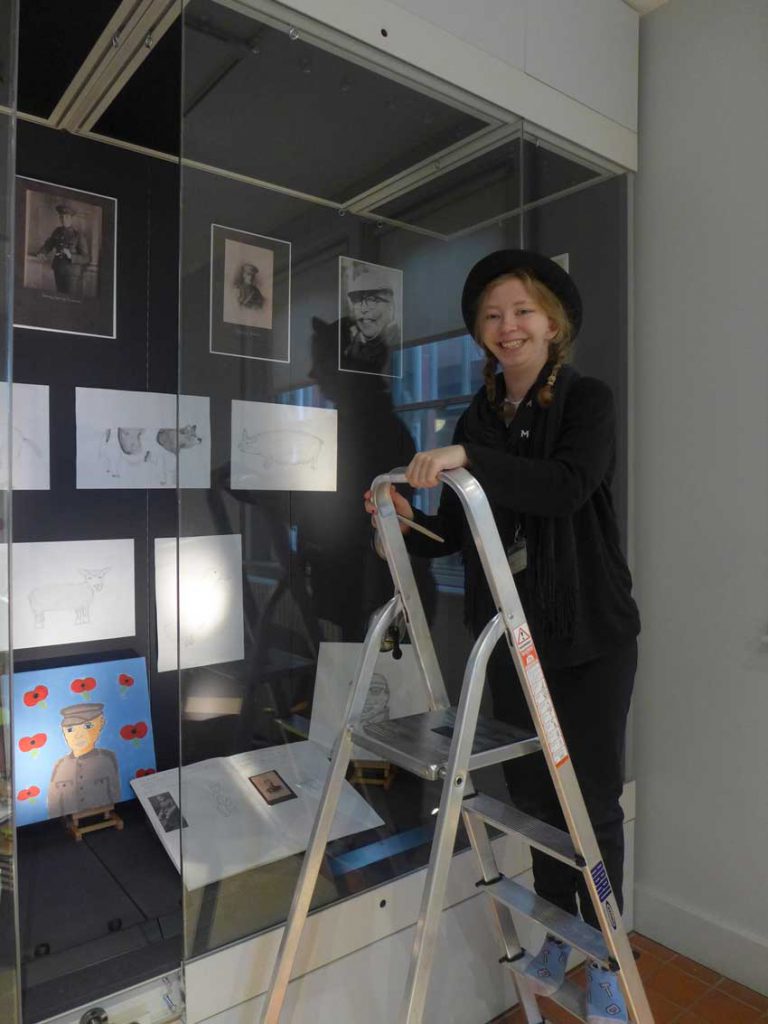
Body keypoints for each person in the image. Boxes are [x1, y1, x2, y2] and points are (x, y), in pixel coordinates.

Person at [364, 250, 640, 1023]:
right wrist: (400, 524)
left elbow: (564, 487)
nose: (507, 326)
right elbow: (455, 533)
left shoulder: (588, 402)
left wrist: (466, 459)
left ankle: (606, 950)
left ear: (552, 323)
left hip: (586, 637)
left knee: (590, 803)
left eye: (522, 312)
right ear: (481, 334)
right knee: (531, 799)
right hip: (510, 639)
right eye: (492, 316)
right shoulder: (479, 419)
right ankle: (561, 932)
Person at [47, 702, 121, 817]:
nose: (78, 735)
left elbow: (115, 792)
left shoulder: (107, 758)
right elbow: (54, 803)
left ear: (101, 723)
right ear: (63, 731)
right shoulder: (60, 765)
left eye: (87, 726)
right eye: (70, 729)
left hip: (102, 814)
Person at [340, 264, 401, 375]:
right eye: (357, 300)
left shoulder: (400, 345)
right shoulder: (351, 350)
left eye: (373, 300)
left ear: (391, 305)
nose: (363, 309)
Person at [35, 201, 90, 297]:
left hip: (72, 274)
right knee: (59, 297)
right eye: (62, 217)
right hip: (58, 269)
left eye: (67, 217)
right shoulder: (57, 231)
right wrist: (42, 252)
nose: (64, 219)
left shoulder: (78, 235)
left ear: (71, 219)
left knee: (70, 300)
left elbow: (86, 258)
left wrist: (71, 256)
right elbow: (49, 244)